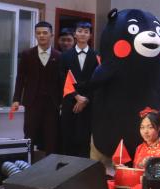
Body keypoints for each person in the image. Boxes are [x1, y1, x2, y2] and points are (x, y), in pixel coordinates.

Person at [107, 110, 160, 189]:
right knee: (107, 185)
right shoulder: (139, 148)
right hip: (135, 186)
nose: (145, 131)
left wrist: (150, 168)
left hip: (152, 188)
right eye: (142, 127)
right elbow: (135, 172)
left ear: (159, 128)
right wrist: (123, 170)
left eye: (150, 127)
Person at [12, 21, 62, 156]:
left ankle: (51, 165)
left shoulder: (59, 56)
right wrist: (16, 99)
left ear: (51, 35)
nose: (42, 35)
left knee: (51, 136)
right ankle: (27, 164)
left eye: (45, 33)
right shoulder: (27, 54)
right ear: (35, 35)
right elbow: (20, 78)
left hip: (52, 103)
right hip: (32, 102)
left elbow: (62, 81)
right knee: (29, 134)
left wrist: (63, 101)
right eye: (38, 33)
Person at [59, 21, 99, 157]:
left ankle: (84, 169)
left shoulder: (97, 56)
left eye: (86, 32)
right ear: (75, 34)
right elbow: (62, 79)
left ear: (90, 35)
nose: (83, 34)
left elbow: (98, 82)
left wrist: (86, 99)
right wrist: (76, 96)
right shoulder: (65, 56)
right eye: (80, 31)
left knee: (85, 140)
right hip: (70, 103)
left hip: (89, 105)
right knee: (68, 139)